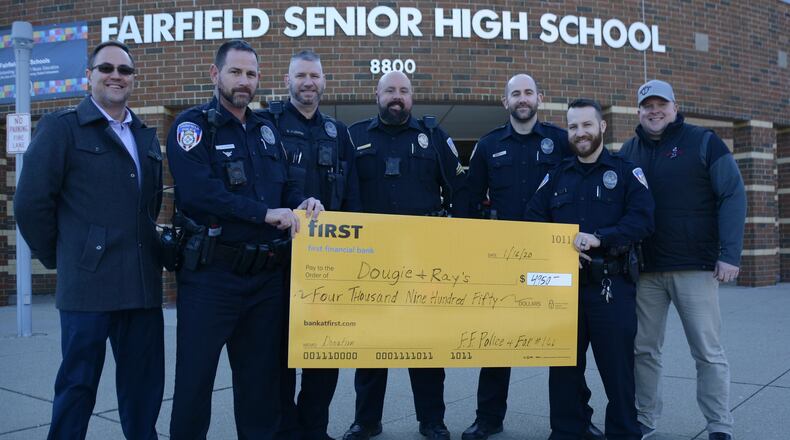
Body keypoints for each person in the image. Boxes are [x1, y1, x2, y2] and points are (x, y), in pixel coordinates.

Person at [166, 40, 323, 440]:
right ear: (215, 74)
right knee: (195, 383)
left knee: (260, 387)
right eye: (235, 72)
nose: (244, 81)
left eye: (251, 74)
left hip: (264, 280)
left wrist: (300, 202)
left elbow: (283, 187)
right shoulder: (191, 126)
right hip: (211, 278)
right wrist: (263, 214)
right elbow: (199, 192)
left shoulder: (266, 129)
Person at [14, 40, 164, 439]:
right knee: (77, 388)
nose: (116, 75)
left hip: (141, 288)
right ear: (90, 76)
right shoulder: (61, 128)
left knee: (143, 392)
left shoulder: (145, 135)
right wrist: (66, 257)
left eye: (125, 70)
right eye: (106, 68)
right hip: (87, 289)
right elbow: (30, 205)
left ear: (133, 78)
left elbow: (149, 207)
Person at [464, 74, 602, 440]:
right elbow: (469, 200)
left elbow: (586, 184)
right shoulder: (489, 144)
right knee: (497, 341)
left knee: (565, 344)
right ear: (504, 102)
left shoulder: (561, 141)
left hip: (554, 260)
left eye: (528, 92)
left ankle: (576, 419)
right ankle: (488, 418)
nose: (522, 99)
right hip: (504, 262)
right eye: (515, 94)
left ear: (539, 98)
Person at [342, 71, 469, 440]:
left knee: (426, 344)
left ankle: (432, 420)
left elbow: (460, 188)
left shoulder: (433, 137)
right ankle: (367, 421)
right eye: (389, 91)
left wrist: (457, 240)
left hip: (423, 260)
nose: (396, 97)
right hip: (369, 261)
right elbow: (343, 193)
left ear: (412, 97)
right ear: (376, 95)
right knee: (369, 345)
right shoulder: (355, 137)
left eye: (403, 91)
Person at [619, 80, 746, 440]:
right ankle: (645, 419)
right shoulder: (629, 151)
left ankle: (720, 425)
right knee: (643, 350)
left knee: (707, 352)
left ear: (675, 107)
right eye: (647, 105)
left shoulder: (703, 142)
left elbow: (733, 196)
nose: (654, 111)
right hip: (646, 270)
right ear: (639, 111)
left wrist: (729, 254)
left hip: (695, 267)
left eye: (661, 104)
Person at [524, 98, 655, 440]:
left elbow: (643, 220)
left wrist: (600, 239)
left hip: (611, 286)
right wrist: (559, 247)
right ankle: (568, 430)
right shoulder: (556, 176)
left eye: (586, 125)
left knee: (617, 370)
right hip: (564, 289)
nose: (579, 133)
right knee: (564, 367)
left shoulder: (626, 172)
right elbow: (534, 218)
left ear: (601, 127)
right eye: (573, 127)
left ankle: (624, 432)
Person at [259, 50, 360, 440]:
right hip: (279, 257)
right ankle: (286, 430)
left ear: (323, 82)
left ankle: (314, 428)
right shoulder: (266, 124)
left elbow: (351, 195)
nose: (308, 82)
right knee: (281, 353)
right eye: (300, 75)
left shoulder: (338, 132)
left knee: (326, 350)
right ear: (287, 80)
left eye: (314, 76)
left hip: (329, 262)